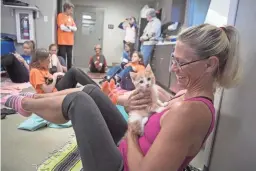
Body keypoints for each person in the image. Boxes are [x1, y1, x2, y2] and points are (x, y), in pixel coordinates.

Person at [2, 24, 241, 171]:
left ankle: (26, 104)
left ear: (210, 65)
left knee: (80, 101)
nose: (172, 68)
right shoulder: (186, 95)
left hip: (122, 165)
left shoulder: (192, 111)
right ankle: (28, 103)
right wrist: (137, 103)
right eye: (173, 60)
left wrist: (131, 130)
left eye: (180, 62)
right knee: (91, 91)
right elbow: (161, 127)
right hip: (130, 147)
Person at [29, 48, 97, 94]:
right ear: (40, 61)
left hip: (55, 86)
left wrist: (55, 59)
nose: (49, 61)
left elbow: (60, 71)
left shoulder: (43, 68)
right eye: (47, 60)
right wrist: (54, 76)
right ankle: (99, 90)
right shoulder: (35, 71)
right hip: (53, 93)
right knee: (74, 71)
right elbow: (47, 90)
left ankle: (98, 90)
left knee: (76, 72)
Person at [57, 2, 77, 70]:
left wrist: (68, 27)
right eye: (71, 10)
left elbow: (75, 28)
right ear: (66, 9)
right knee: (63, 57)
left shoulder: (71, 18)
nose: (71, 11)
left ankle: (69, 71)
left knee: (69, 57)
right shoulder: (60, 15)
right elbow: (62, 27)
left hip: (70, 41)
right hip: (62, 41)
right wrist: (70, 28)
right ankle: (63, 71)